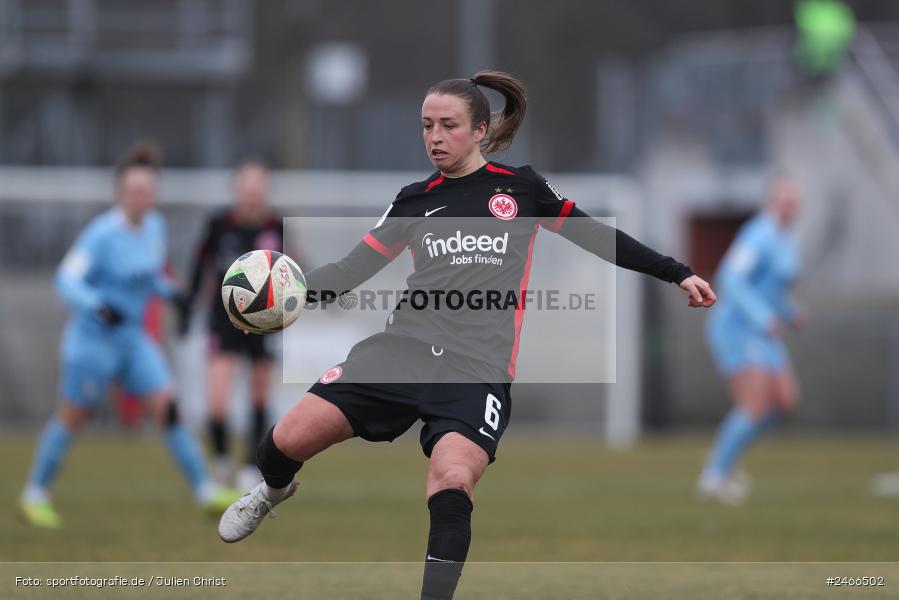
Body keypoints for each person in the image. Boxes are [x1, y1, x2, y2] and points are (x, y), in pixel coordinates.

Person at [217, 71, 715, 599]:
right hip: (399, 352)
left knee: (452, 481)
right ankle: (272, 492)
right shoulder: (413, 201)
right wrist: (282, 298)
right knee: (284, 441)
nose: (434, 136)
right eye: (426, 125)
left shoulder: (520, 189)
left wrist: (677, 271)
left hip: (475, 368)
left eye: (448, 125)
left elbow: (596, 236)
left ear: (480, 129)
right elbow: (347, 272)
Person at [19, 143, 240, 529]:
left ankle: (205, 491)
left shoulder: (155, 226)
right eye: (135, 191)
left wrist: (173, 293)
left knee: (168, 408)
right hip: (92, 343)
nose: (143, 197)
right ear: (120, 193)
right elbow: (66, 278)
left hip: (134, 342)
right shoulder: (101, 234)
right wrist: (96, 304)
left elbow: (150, 276)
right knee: (73, 416)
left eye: (149, 190)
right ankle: (34, 494)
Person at [179, 161, 284, 491]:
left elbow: (288, 272)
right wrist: (187, 310)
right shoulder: (218, 224)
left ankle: (251, 467)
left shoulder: (275, 225)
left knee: (259, 396)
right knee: (218, 402)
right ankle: (223, 460)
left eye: (258, 187)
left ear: (264, 191)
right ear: (237, 190)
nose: (253, 193)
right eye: (247, 186)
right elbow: (200, 267)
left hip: (264, 321)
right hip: (223, 321)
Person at [699, 175, 803, 505]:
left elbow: (768, 287)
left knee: (785, 399)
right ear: (771, 202)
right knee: (754, 405)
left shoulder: (784, 238)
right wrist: (764, 316)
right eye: (784, 201)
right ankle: (715, 474)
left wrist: (789, 311)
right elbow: (730, 279)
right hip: (737, 327)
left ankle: (727, 457)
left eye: (794, 203)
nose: (790, 208)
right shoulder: (758, 234)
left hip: (763, 329)